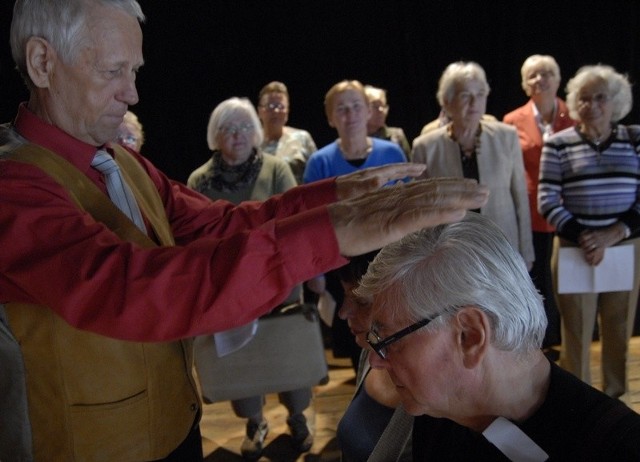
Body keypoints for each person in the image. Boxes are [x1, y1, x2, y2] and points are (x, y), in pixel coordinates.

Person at [0, 0, 491, 460]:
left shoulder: (118, 160)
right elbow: (130, 288)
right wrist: (332, 232)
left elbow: (218, 224)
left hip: (173, 428)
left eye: (133, 71)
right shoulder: (13, 184)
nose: (131, 93)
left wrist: (335, 196)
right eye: (113, 71)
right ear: (43, 63)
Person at [360, 213, 640, 461]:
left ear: (470, 336)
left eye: (388, 341)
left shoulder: (618, 448)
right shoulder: (440, 410)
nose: (375, 360)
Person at [187, 97, 313, 459]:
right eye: (228, 128)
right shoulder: (199, 180)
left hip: (280, 282)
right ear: (216, 135)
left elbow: (294, 220)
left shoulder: (276, 169)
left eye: (243, 127)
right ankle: (254, 422)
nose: (237, 135)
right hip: (231, 288)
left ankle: (298, 417)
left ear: (255, 132)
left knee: (288, 353)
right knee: (243, 359)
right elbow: (197, 238)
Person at [538, 64, 640, 401]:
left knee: (618, 328)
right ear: (574, 103)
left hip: (624, 246)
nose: (592, 105)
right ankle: (578, 404)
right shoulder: (558, 144)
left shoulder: (635, 137)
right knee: (576, 332)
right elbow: (547, 200)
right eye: (584, 98)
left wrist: (612, 234)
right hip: (573, 248)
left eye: (601, 98)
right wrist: (586, 236)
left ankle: (615, 399)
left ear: (616, 102)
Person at [303, 79, 408, 372]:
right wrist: (316, 271)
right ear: (330, 117)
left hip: (389, 259)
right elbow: (311, 224)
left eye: (356, 107)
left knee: (394, 326)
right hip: (341, 264)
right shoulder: (319, 162)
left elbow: (406, 210)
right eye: (342, 109)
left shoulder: (392, 154)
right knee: (356, 336)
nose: (350, 115)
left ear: (368, 112)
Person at [412, 61, 534, 268]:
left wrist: (526, 251)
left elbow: (520, 196)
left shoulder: (506, 137)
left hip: (502, 246)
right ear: (447, 101)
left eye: (480, 94)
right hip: (450, 250)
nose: (474, 102)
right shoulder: (425, 146)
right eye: (465, 95)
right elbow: (422, 208)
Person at [503, 54, 575, 353]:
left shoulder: (575, 115)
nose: (540, 80)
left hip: (571, 210)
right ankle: (542, 341)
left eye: (546, 74)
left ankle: (572, 337)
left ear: (558, 80)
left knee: (567, 276)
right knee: (537, 279)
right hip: (531, 211)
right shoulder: (511, 121)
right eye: (532, 75)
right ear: (524, 84)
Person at [336, 251, 412, 462]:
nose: (343, 313)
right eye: (345, 297)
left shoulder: (437, 401)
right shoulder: (370, 350)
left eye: (361, 302)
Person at [257, 81, 317, 184]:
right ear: (260, 111)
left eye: (280, 106)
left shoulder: (302, 138)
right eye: (270, 106)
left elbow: (317, 176)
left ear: (287, 111)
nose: (276, 111)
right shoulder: (250, 144)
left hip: (296, 199)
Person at [364, 85, 411, 158]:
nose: (381, 110)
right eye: (375, 106)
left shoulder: (397, 136)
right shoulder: (354, 139)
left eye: (383, 106)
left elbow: (408, 166)